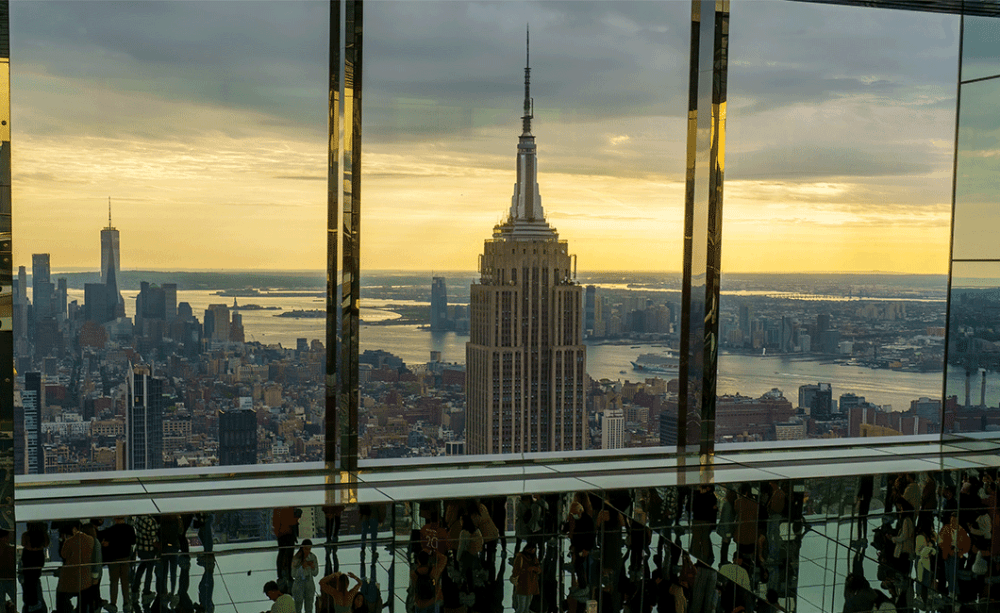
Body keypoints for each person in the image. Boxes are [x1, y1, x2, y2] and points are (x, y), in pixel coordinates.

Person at [56, 523, 98, 613]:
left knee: (62, 597)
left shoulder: (69, 541)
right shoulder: (90, 540)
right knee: (83, 601)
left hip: (71, 576)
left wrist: (63, 540)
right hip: (86, 576)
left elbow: (64, 554)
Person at [99, 517, 136, 613]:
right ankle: (126, 602)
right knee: (125, 581)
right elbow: (133, 541)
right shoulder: (129, 528)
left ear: (115, 519)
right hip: (125, 557)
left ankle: (113, 603)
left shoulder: (111, 530)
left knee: (114, 582)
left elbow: (103, 539)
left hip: (114, 559)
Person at [21, 521, 50, 613]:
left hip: (28, 558)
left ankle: (31, 603)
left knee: (29, 581)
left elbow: (23, 544)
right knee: (34, 579)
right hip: (38, 558)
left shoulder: (26, 535)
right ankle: (34, 602)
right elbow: (46, 544)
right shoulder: (43, 535)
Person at [510, 542, 540, 613]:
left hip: (529, 585)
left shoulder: (532, 558)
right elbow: (516, 570)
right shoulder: (521, 557)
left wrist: (532, 568)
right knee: (522, 608)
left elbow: (539, 569)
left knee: (525, 608)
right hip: (524, 585)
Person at [291, 540, 319, 613]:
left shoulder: (312, 557)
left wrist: (312, 567)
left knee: (309, 607)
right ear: (302, 548)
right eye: (306, 549)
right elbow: (293, 574)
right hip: (298, 583)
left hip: (309, 582)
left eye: (309, 549)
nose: (308, 551)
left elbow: (315, 573)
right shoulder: (296, 558)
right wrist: (301, 567)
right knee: (298, 607)